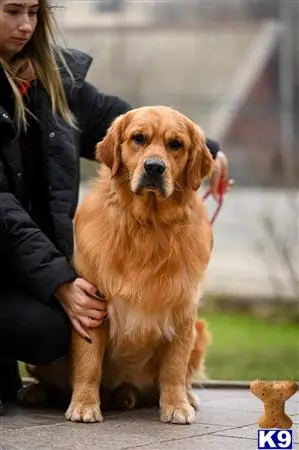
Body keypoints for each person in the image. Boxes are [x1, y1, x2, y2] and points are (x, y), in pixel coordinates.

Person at [0, 0, 230, 415]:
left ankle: (128, 386)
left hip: (36, 258)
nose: (26, 26)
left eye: (34, 13)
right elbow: (3, 213)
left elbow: (125, 120)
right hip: (7, 255)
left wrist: (208, 151)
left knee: (52, 329)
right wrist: (59, 281)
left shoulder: (56, 81)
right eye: (13, 12)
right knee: (43, 330)